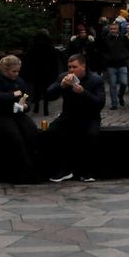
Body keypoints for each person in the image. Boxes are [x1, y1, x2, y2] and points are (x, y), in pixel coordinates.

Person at [44, 53, 106, 182]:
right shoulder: (64, 77)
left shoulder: (95, 80)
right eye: (69, 67)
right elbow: (48, 95)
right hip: (68, 116)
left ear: (83, 66)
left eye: (74, 67)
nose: (71, 70)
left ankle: (87, 171)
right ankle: (63, 170)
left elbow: (99, 103)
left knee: (91, 135)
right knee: (52, 131)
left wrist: (84, 93)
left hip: (89, 117)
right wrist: (61, 86)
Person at [0, 55, 41, 183]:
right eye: (13, 71)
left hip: (16, 113)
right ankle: (21, 172)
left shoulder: (19, 81)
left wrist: (25, 107)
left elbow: (26, 99)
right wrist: (12, 94)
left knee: (31, 131)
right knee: (15, 137)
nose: (16, 74)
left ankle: (33, 168)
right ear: (5, 70)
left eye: (18, 71)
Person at [24, 29, 60, 115]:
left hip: (36, 71)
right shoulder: (50, 46)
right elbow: (54, 61)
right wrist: (54, 72)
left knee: (36, 89)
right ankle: (45, 110)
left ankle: (36, 108)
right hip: (47, 71)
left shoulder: (33, 45)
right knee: (46, 90)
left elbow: (29, 59)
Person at [98, 20, 129, 109]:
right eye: (112, 29)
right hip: (111, 65)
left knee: (124, 82)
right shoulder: (106, 39)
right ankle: (114, 103)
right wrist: (107, 58)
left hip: (122, 63)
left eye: (115, 29)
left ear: (118, 29)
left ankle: (120, 95)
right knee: (112, 85)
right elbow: (102, 50)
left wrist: (126, 56)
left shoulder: (123, 38)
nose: (113, 30)